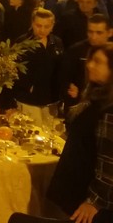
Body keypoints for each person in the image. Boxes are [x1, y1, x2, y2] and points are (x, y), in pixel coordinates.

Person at [47, 43, 113, 222]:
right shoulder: (96, 98)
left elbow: (109, 162)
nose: (89, 65)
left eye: (98, 62)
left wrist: (94, 201)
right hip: (73, 192)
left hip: (85, 203)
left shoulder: (109, 110)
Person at [11, 8, 63, 124]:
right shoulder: (22, 42)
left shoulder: (56, 42)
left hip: (51, 99)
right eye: (38, 26)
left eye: (47, 26)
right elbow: (14, 70)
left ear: (52, 26)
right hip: (28, 99)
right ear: (32, 24)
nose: (42, 30)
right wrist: (27, 87)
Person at [61, 15, 113, 114]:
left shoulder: (110, 53)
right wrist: (69, 87)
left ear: (109, 32)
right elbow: (64, 77)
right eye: (90, 32)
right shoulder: (75, 50)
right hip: (78, 104)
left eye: (99, 33)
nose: (93, 37)